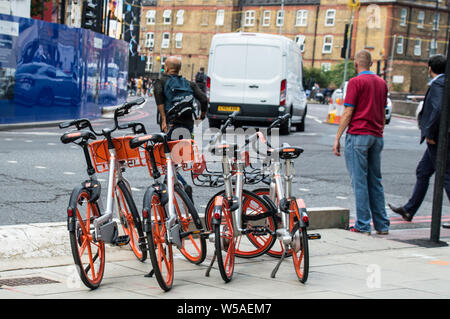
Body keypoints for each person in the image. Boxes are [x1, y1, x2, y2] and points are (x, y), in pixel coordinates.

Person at [333, 50, 390, 235]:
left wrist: (337, 137)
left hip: (358, 135)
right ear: (371, 64)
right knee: (375, 181)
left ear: (356, 64)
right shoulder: (382, 83)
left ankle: (363, 225)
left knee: (359, 182)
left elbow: (348, 112)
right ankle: (382, 225)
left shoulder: (356, 82)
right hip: (376, 136)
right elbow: (382, 112)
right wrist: (379, 131)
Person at [388, 55, 449, 223]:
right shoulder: (445, 82)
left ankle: (409, 209)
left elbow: (437, 109)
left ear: (430, 68)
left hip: (437, 139)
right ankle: (409, 210)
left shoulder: (438, 83)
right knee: (423, 171)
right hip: (440, 138)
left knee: (446, 176)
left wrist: (429, 133)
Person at [153, 56, 208, 200]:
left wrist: (164, 120)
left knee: (169, 159)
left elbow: (159, 100)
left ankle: (181, 185)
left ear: (166, 67)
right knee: (175, 159)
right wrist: (201, 116)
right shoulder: (189, 84)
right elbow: (203, 99)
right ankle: (171, 189)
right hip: (187, 126)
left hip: (171, 125)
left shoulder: (161, 81)